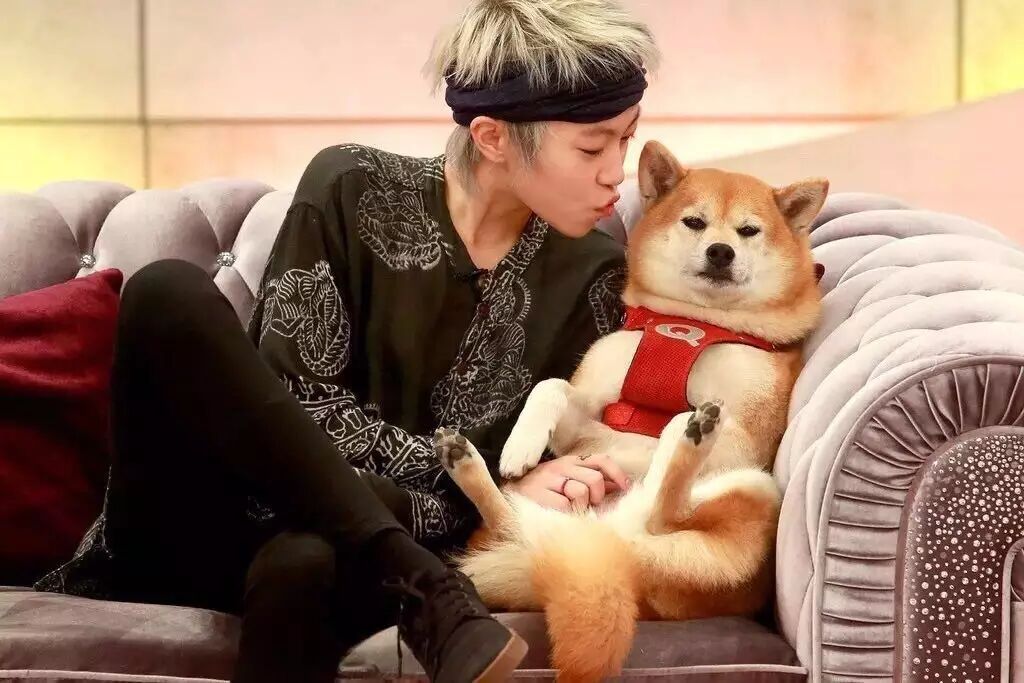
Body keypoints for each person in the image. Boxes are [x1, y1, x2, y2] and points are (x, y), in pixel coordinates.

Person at [35, 0, 659, 681]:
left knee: (306, 560)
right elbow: (305, 403)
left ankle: (414, 575)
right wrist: (485, 480)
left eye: (626, 140)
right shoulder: (351, 186)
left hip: (346, 558)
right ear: (491, 137)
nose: (616, 172)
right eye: (593, 147)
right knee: (164, 290)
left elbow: (567, 462)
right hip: (206, 519)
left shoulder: (598, 275)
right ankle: (421, 581)